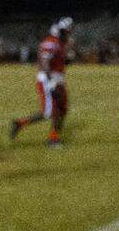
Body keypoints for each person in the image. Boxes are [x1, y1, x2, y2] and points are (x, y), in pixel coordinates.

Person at [10, 17, 73, 147]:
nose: (69, 34)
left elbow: (60, 61)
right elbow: (44, 63)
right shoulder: (51, 41)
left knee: (62, 109)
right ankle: (52, 140)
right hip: (48, 79)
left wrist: (69, 58)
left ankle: (52, 136)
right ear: (61, 31)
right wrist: (51, 83)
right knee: (49, 112)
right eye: (67, 31)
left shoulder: (60, 42)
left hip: (58, 79)